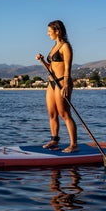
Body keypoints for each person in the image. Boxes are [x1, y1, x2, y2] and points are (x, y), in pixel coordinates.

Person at [36, 20, 78, 153]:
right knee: (52, 113)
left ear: (57, 31)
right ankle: (54, 140)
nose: (48, 34)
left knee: (64, 113)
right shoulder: (54, 46)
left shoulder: (65, 46)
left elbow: (67, 67)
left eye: (50, 31)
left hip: (62, 82)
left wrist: (66, 84)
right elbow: (51, 68)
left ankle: (74, 144)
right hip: (51, 83)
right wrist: (43, 61)